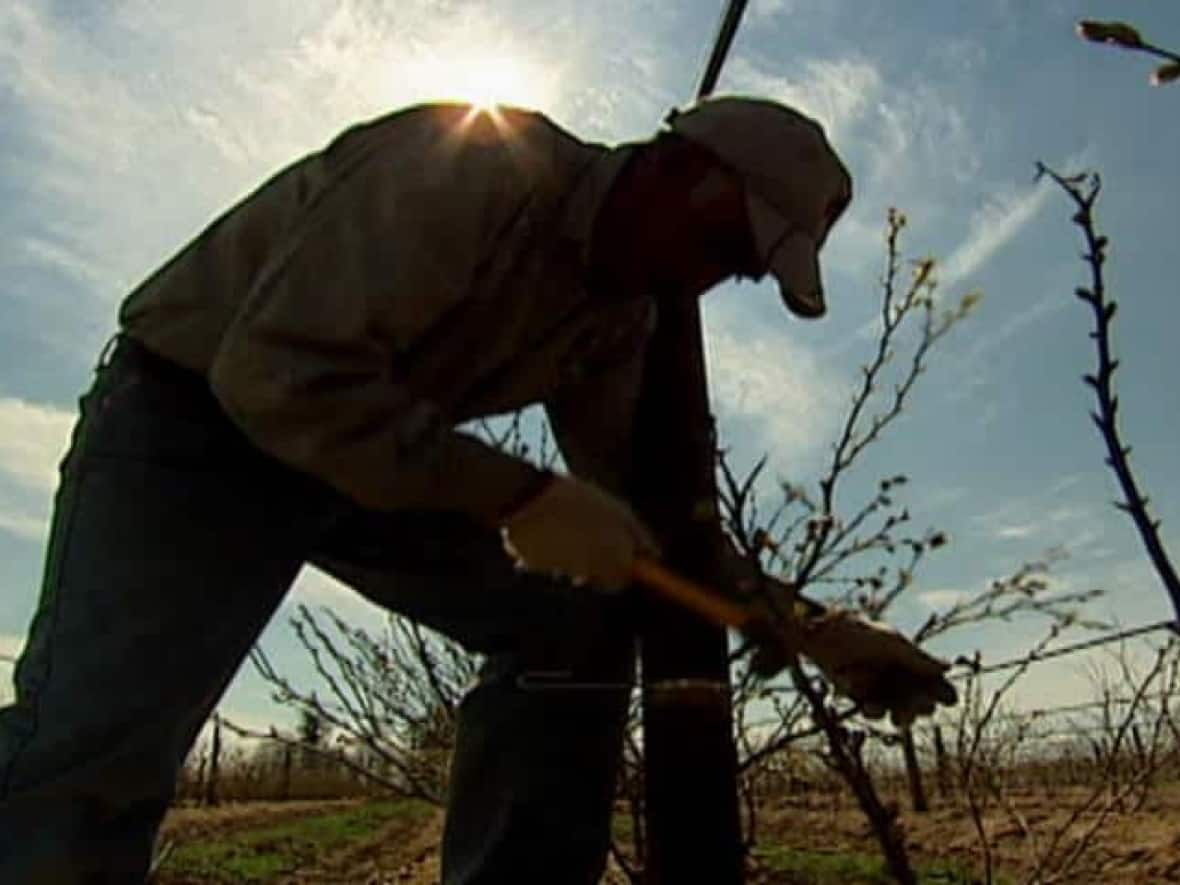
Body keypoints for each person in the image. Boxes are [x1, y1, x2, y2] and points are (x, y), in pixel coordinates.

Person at [0, 96, 854, 883]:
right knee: (95, 753)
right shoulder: (474, 165)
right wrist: (518, 494)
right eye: (719, 243)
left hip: (369, 456)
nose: (702, 281)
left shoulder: (619, 313)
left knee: (580, 612)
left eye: (733, 270)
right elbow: (274, 375)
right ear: (675, 164)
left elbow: (651, 528)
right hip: (196, 424)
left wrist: (811, 626)